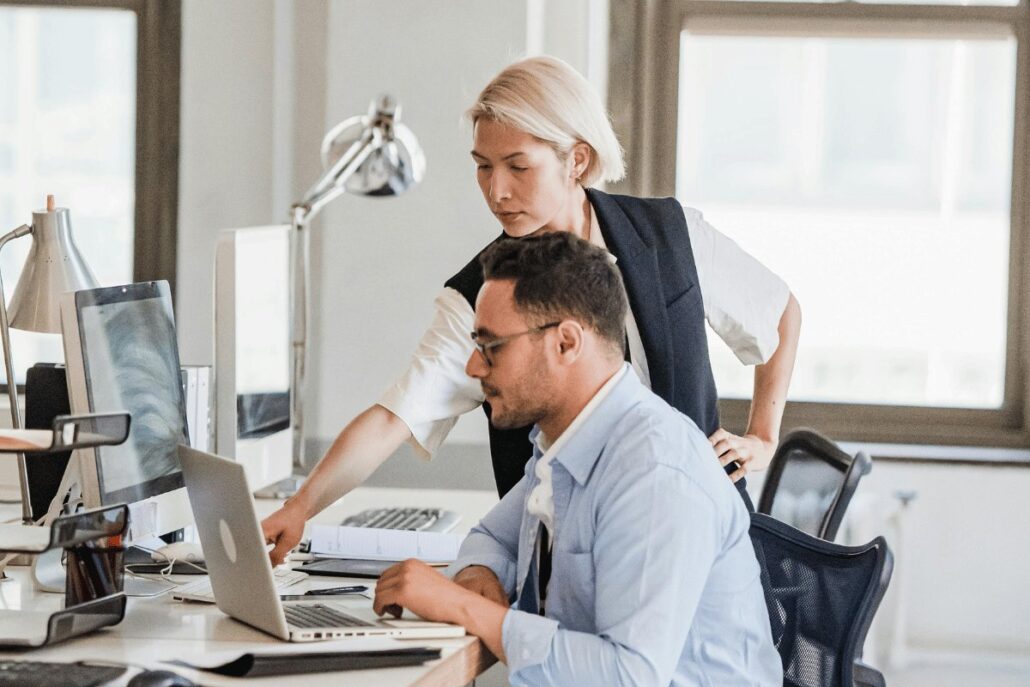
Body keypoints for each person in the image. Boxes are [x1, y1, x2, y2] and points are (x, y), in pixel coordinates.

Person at [262, 55, 800, 564]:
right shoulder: (481, 292)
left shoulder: (671, 234)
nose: (497, 190)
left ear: (577, 160)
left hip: (701, 538)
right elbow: (393, 418)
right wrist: (300, 507)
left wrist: (764, 436)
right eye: (483, 167)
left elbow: (778, 312)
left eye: (518, 166)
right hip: (568, 563)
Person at [372, 233, 782, 686]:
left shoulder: (654, 470)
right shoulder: (567, 440)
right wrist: (477, 574)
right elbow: (493, 536)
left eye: (492, 346)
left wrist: (463, 607)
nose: (473, 367)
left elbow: (629, 675)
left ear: (566, 343)